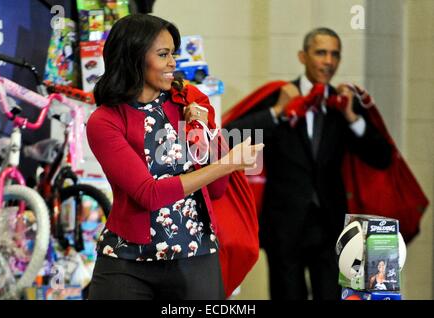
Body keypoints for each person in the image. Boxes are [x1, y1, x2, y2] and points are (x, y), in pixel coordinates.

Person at [85, 14, 264, 300]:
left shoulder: (187, 98)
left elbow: (217, 189)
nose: (173, 63)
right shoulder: (105, 121)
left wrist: (205, 131)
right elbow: (148, 195)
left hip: (195, 255)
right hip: (127, 261)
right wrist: (229, 162)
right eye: (163, 54)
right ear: (133, 56)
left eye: (173, 54)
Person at [224, 27, 392, 300]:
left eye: (335, 54)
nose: (328, 61)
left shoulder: (344, 104)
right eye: (321, 52)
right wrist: (277, 111)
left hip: (331, 226)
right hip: (283, 225)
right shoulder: (279, 96)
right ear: (303, 56)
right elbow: (229, 138)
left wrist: (353, 118)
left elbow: (382, 158)